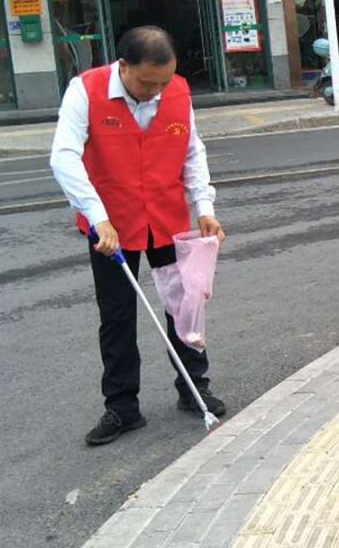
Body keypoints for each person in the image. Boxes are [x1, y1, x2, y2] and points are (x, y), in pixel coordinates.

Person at [50, 26, 228, 447]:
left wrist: (204, 207)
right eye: (148, 83)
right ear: (123, 66)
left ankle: (192, 385)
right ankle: (122, 406)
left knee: (183, 305)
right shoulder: (85, 91)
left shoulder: (177, 91)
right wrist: (97, 217)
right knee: (117, 315)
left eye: (164, 82)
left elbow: (191, 150)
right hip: (112, 227)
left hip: (166, 218)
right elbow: (63, 157)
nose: (156, 92)